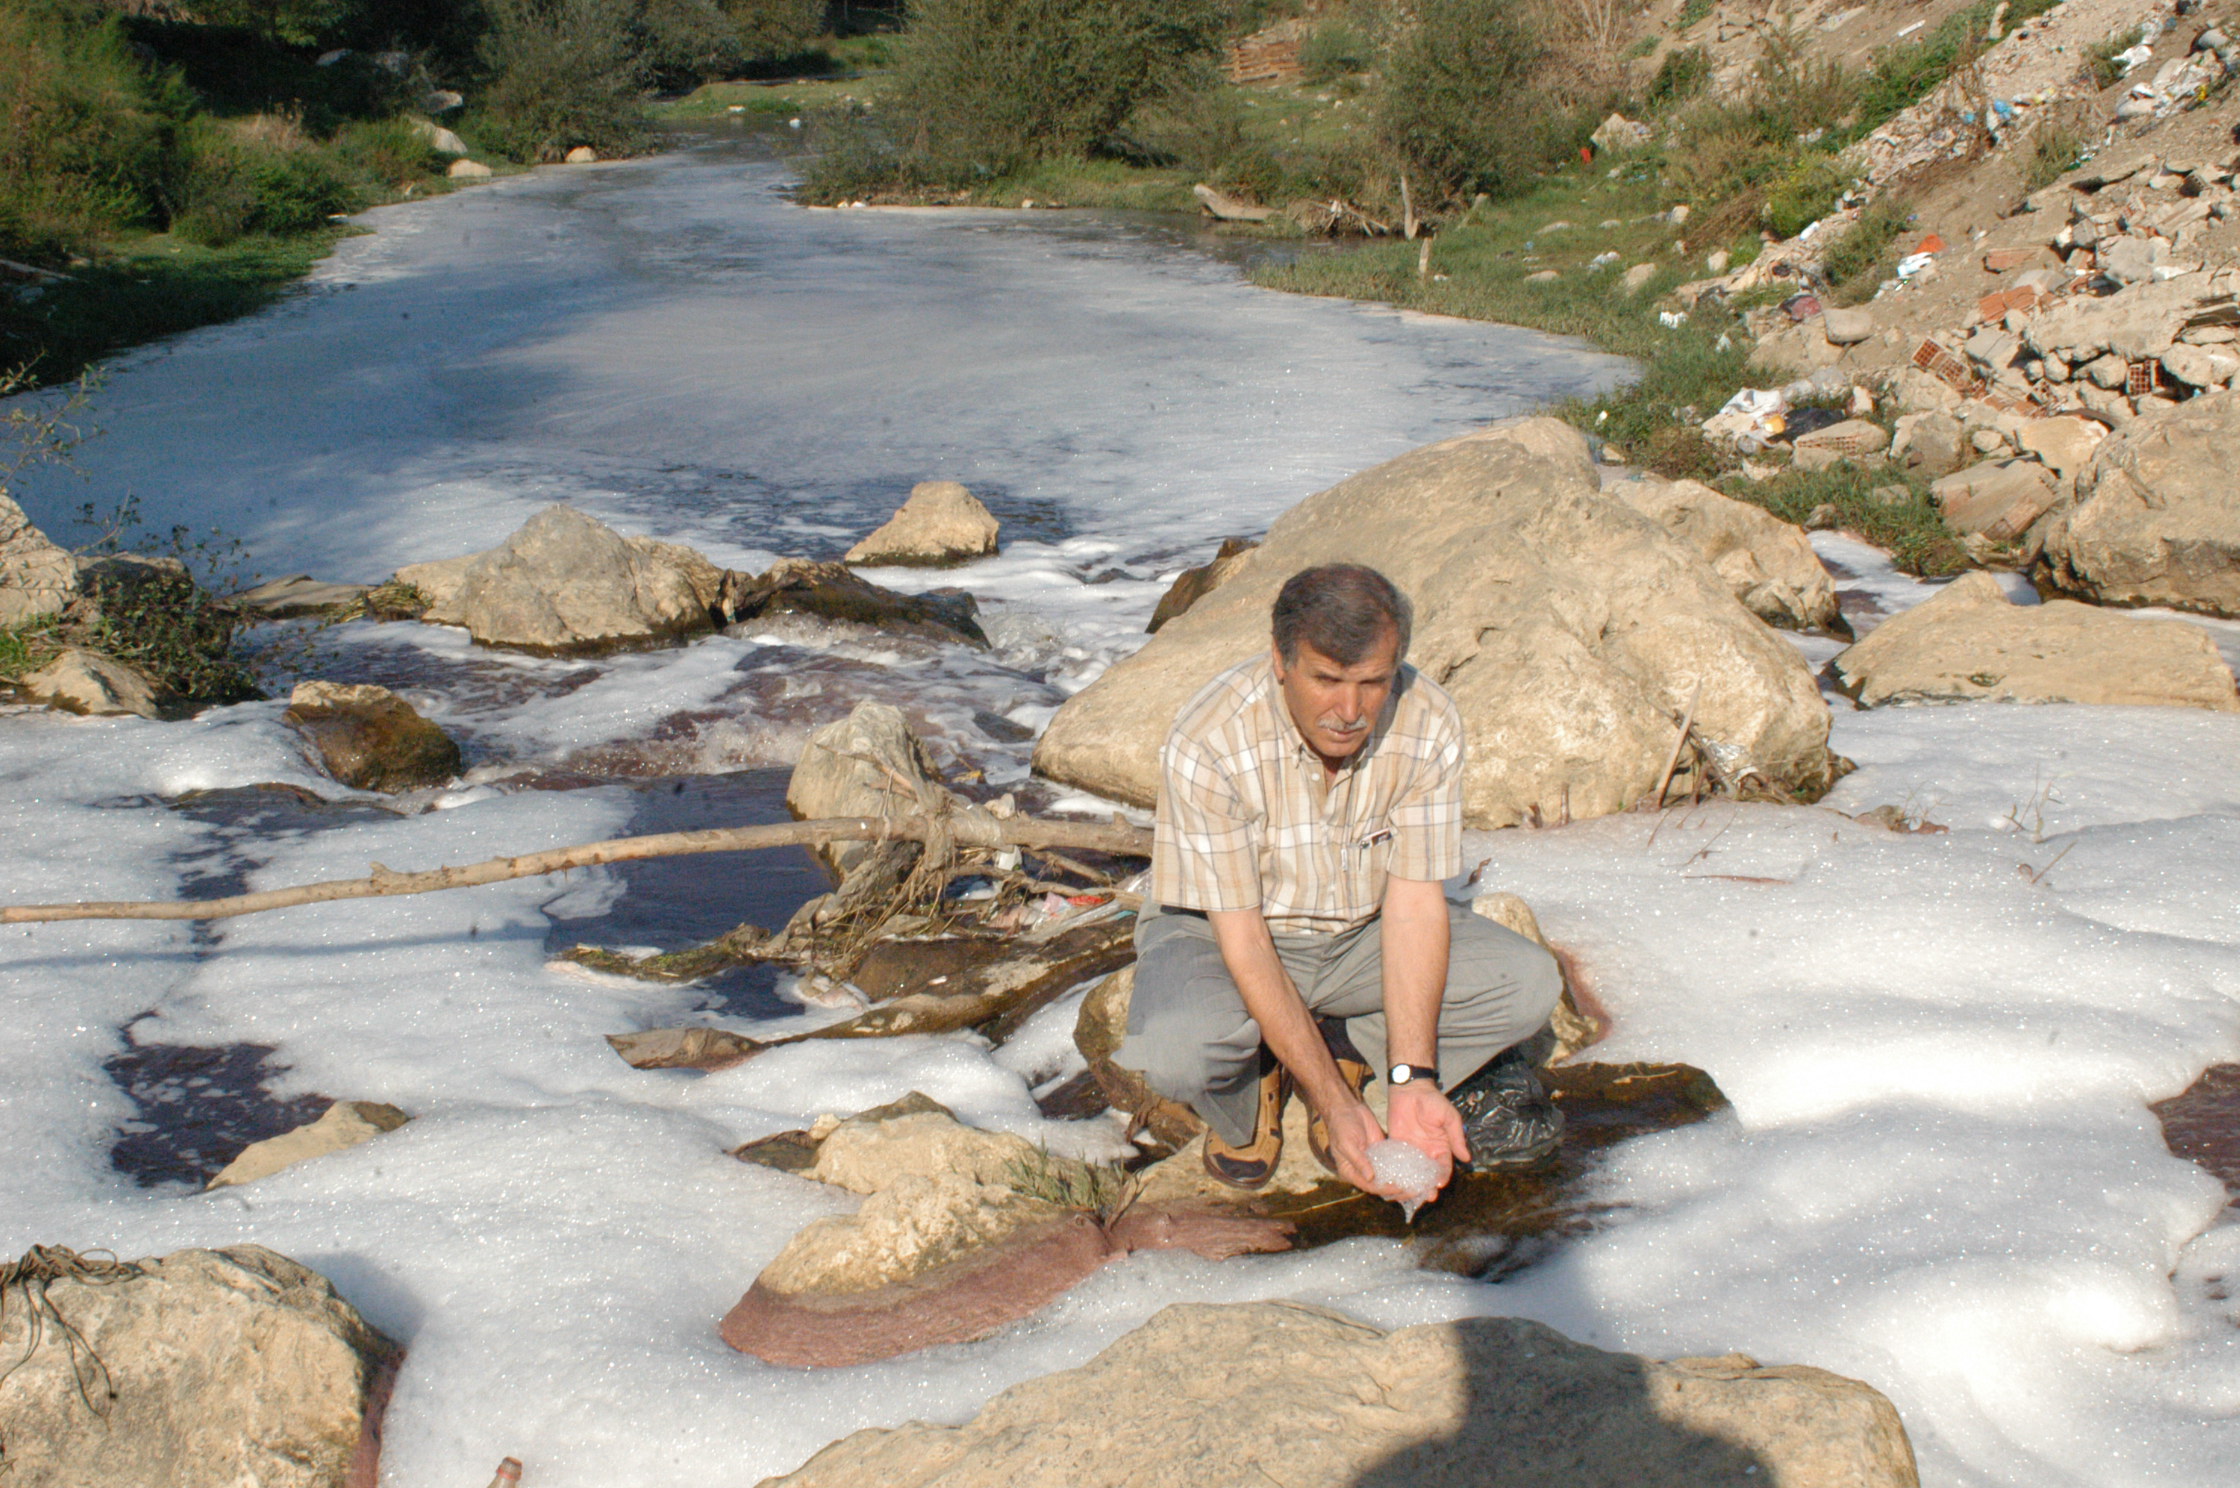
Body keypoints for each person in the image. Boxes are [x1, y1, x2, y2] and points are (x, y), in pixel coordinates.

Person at [1116, 562, 1564, 1199]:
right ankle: (1263, 1080)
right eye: (1326, 680)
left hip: (1360, 932)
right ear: (1280, 659)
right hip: (1223, 934)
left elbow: (1413, 906)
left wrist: (1412, 1078)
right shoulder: (1210, 737)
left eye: (1372, 683)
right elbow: (1241, 936)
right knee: (1174, 1052)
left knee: (1528, 986)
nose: (1349, 711)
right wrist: (1333, 1104)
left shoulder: (1428, 721)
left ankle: (1338, 1042)